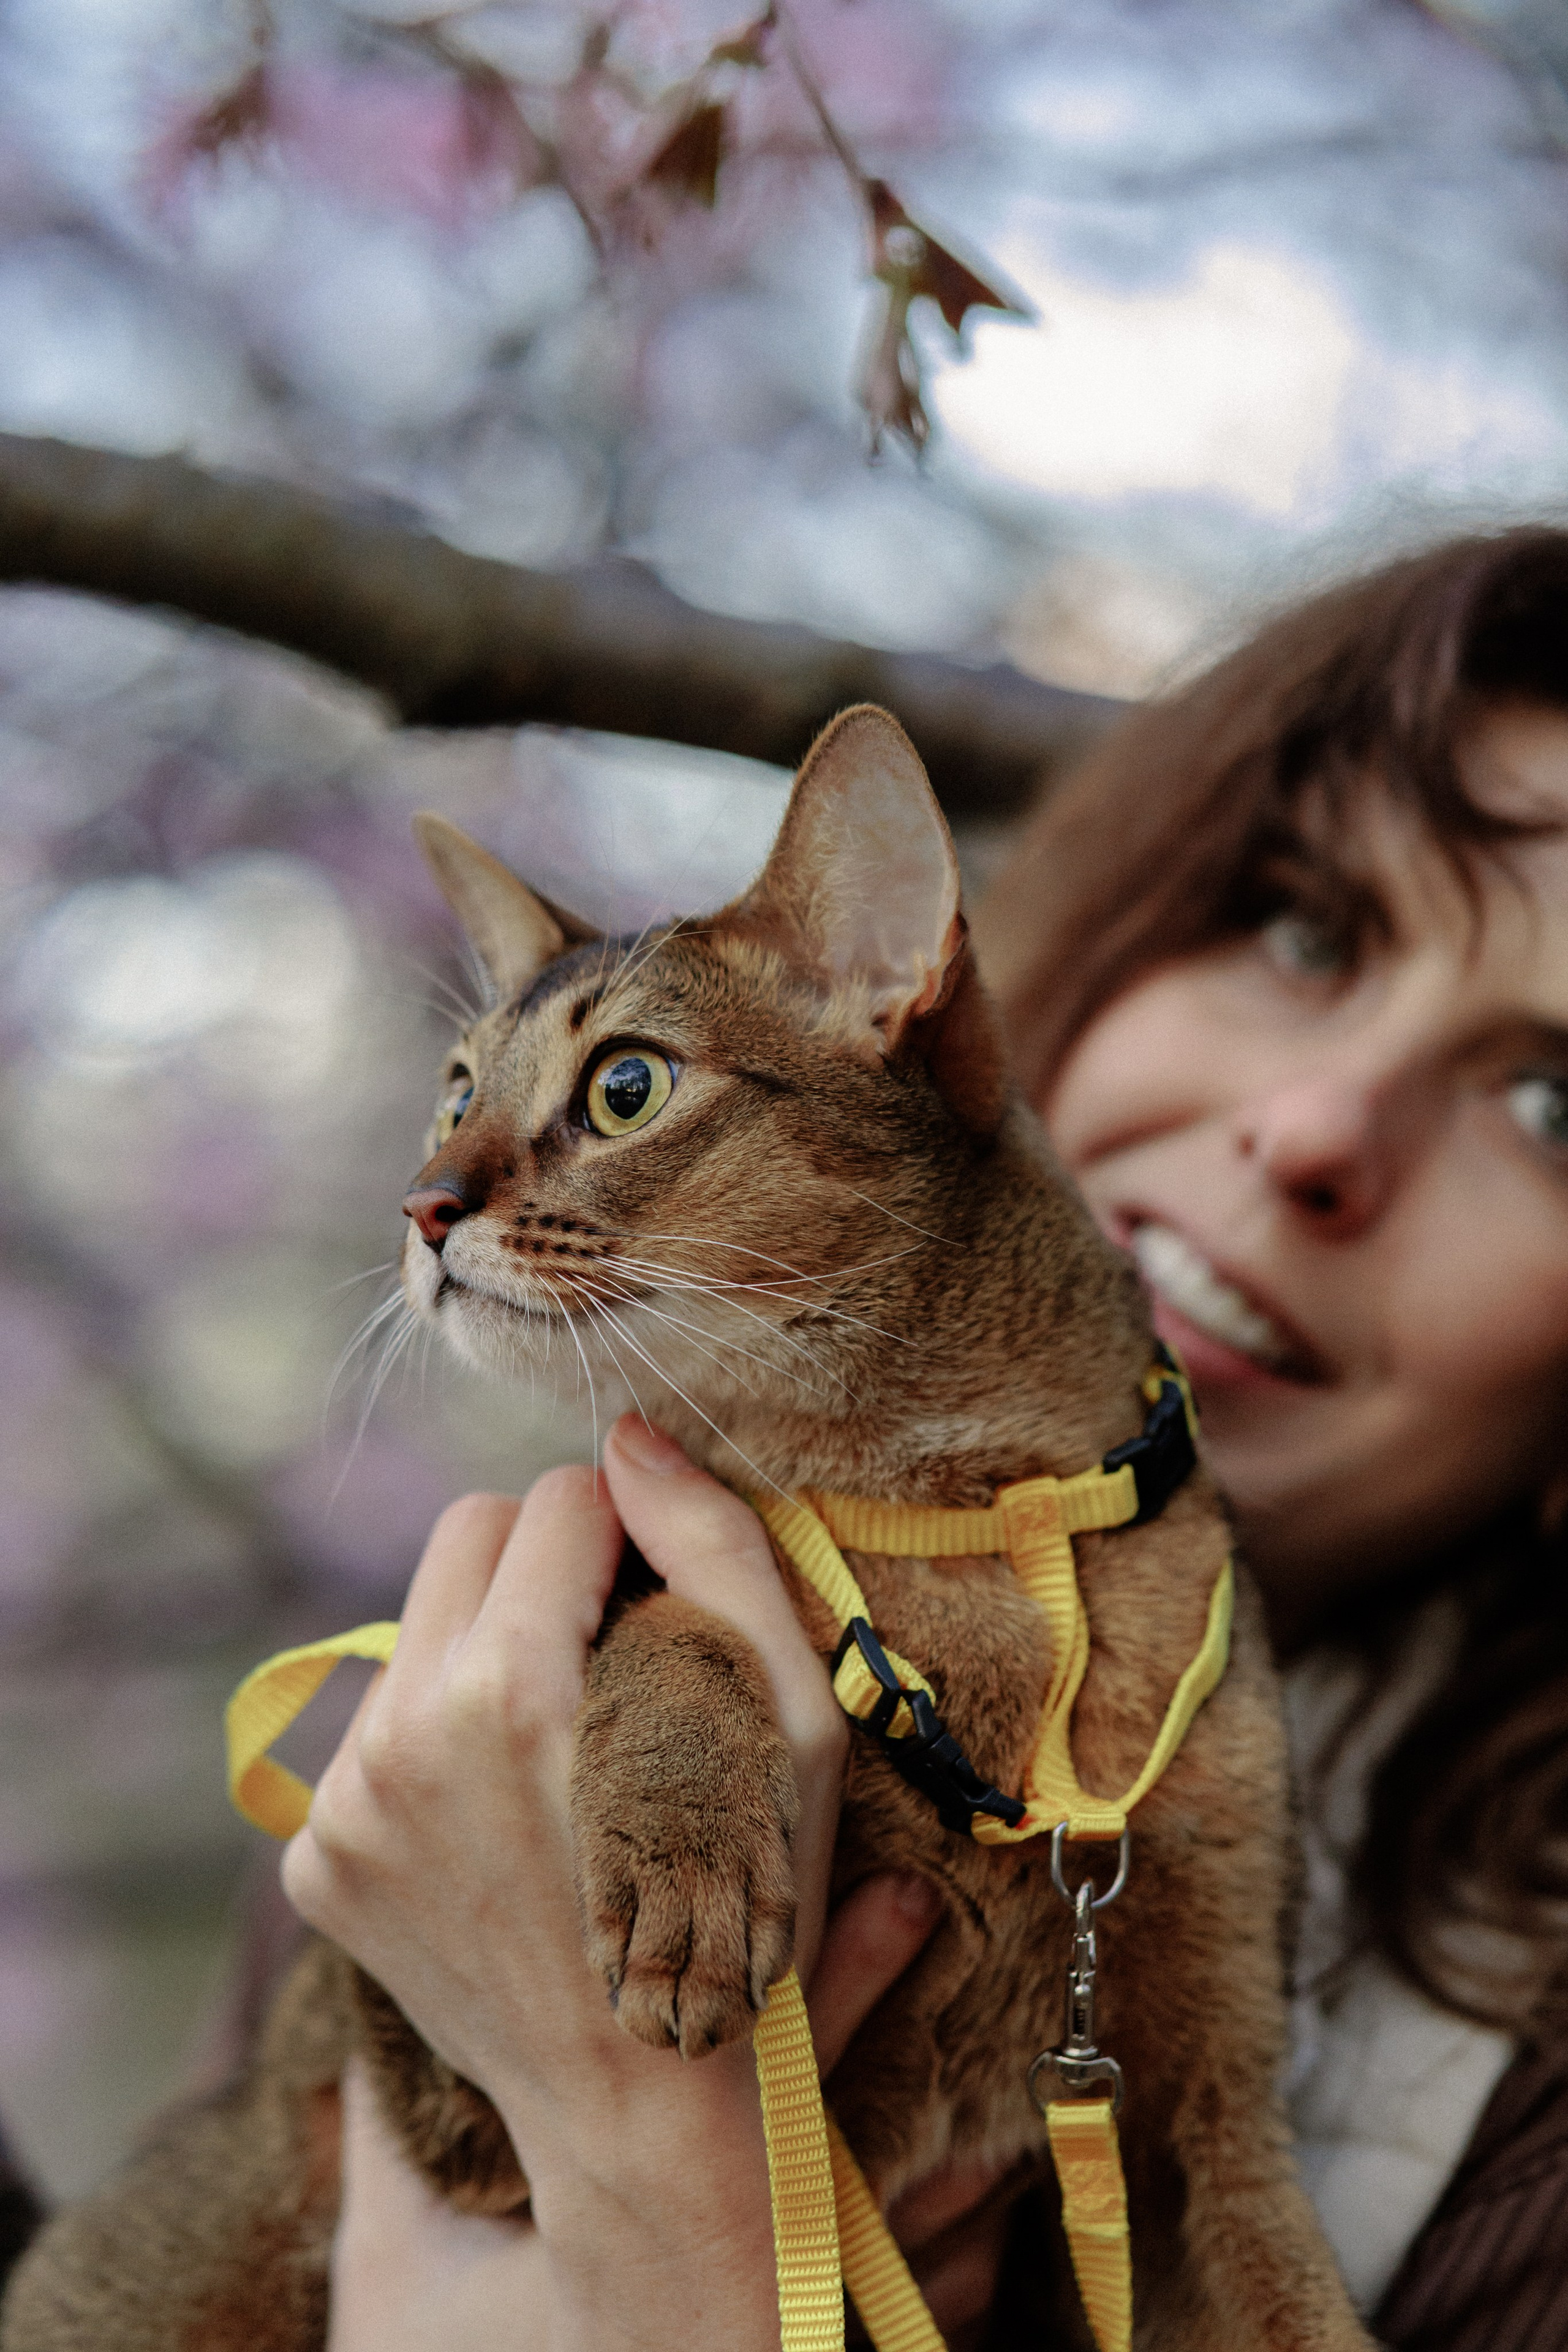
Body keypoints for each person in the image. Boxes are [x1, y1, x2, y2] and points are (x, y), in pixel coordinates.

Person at [284, 528, 1568, 2351]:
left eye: (1555, 1102)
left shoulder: (1531, 2142)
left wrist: (675, 2261)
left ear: (894, 971)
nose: (1315, 1129)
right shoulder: (463, 1739)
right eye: (1308, 925)